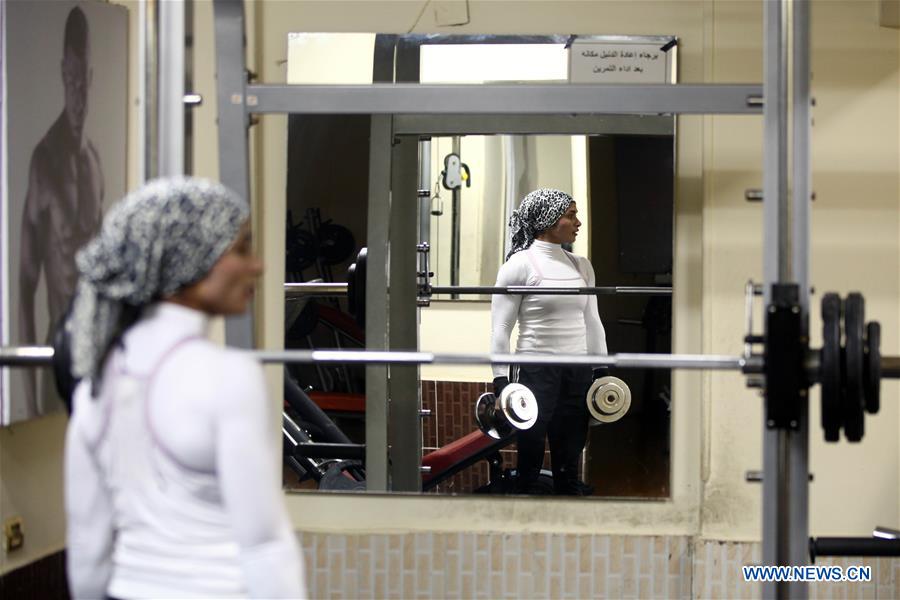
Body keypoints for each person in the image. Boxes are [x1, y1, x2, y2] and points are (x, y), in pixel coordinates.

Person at [64, 178, 307, 599]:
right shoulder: (230, 377)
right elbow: (264, 544)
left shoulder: (94, 383)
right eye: (241, 249)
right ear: (188, 259)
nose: (258, 266)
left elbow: (88, 549)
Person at [490, 188, 608, 496]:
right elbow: (501, 327)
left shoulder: (582, 265)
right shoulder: (519, 266)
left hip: (578, 368)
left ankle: (568, 494)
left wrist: (601, 369)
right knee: (531, 440)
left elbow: (592, 321)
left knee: (570, 440)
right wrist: (500, 378)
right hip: (535, 369)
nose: (577, 222)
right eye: (570, 216)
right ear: (547, 221)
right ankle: (526, 496)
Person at [19, 6, 104, 416]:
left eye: (81, 81)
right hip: (58, 351)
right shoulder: (43, 162)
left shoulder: (94, 163)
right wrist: (28, 400)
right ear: (61, 75)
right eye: (68, 80)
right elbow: (23, 283)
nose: (76, 96)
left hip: (98, 351)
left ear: (90, 77)